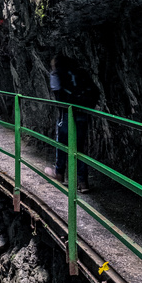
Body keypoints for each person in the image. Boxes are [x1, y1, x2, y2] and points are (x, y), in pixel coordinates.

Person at [45, 54, 98, 193]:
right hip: (82, 113)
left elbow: (57, 94)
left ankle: (59, 174)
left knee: (62, 143)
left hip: (67, 114)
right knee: (79, 147)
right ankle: (83, 182)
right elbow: (94, 91)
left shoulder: (57, 73)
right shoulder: (80, 72)